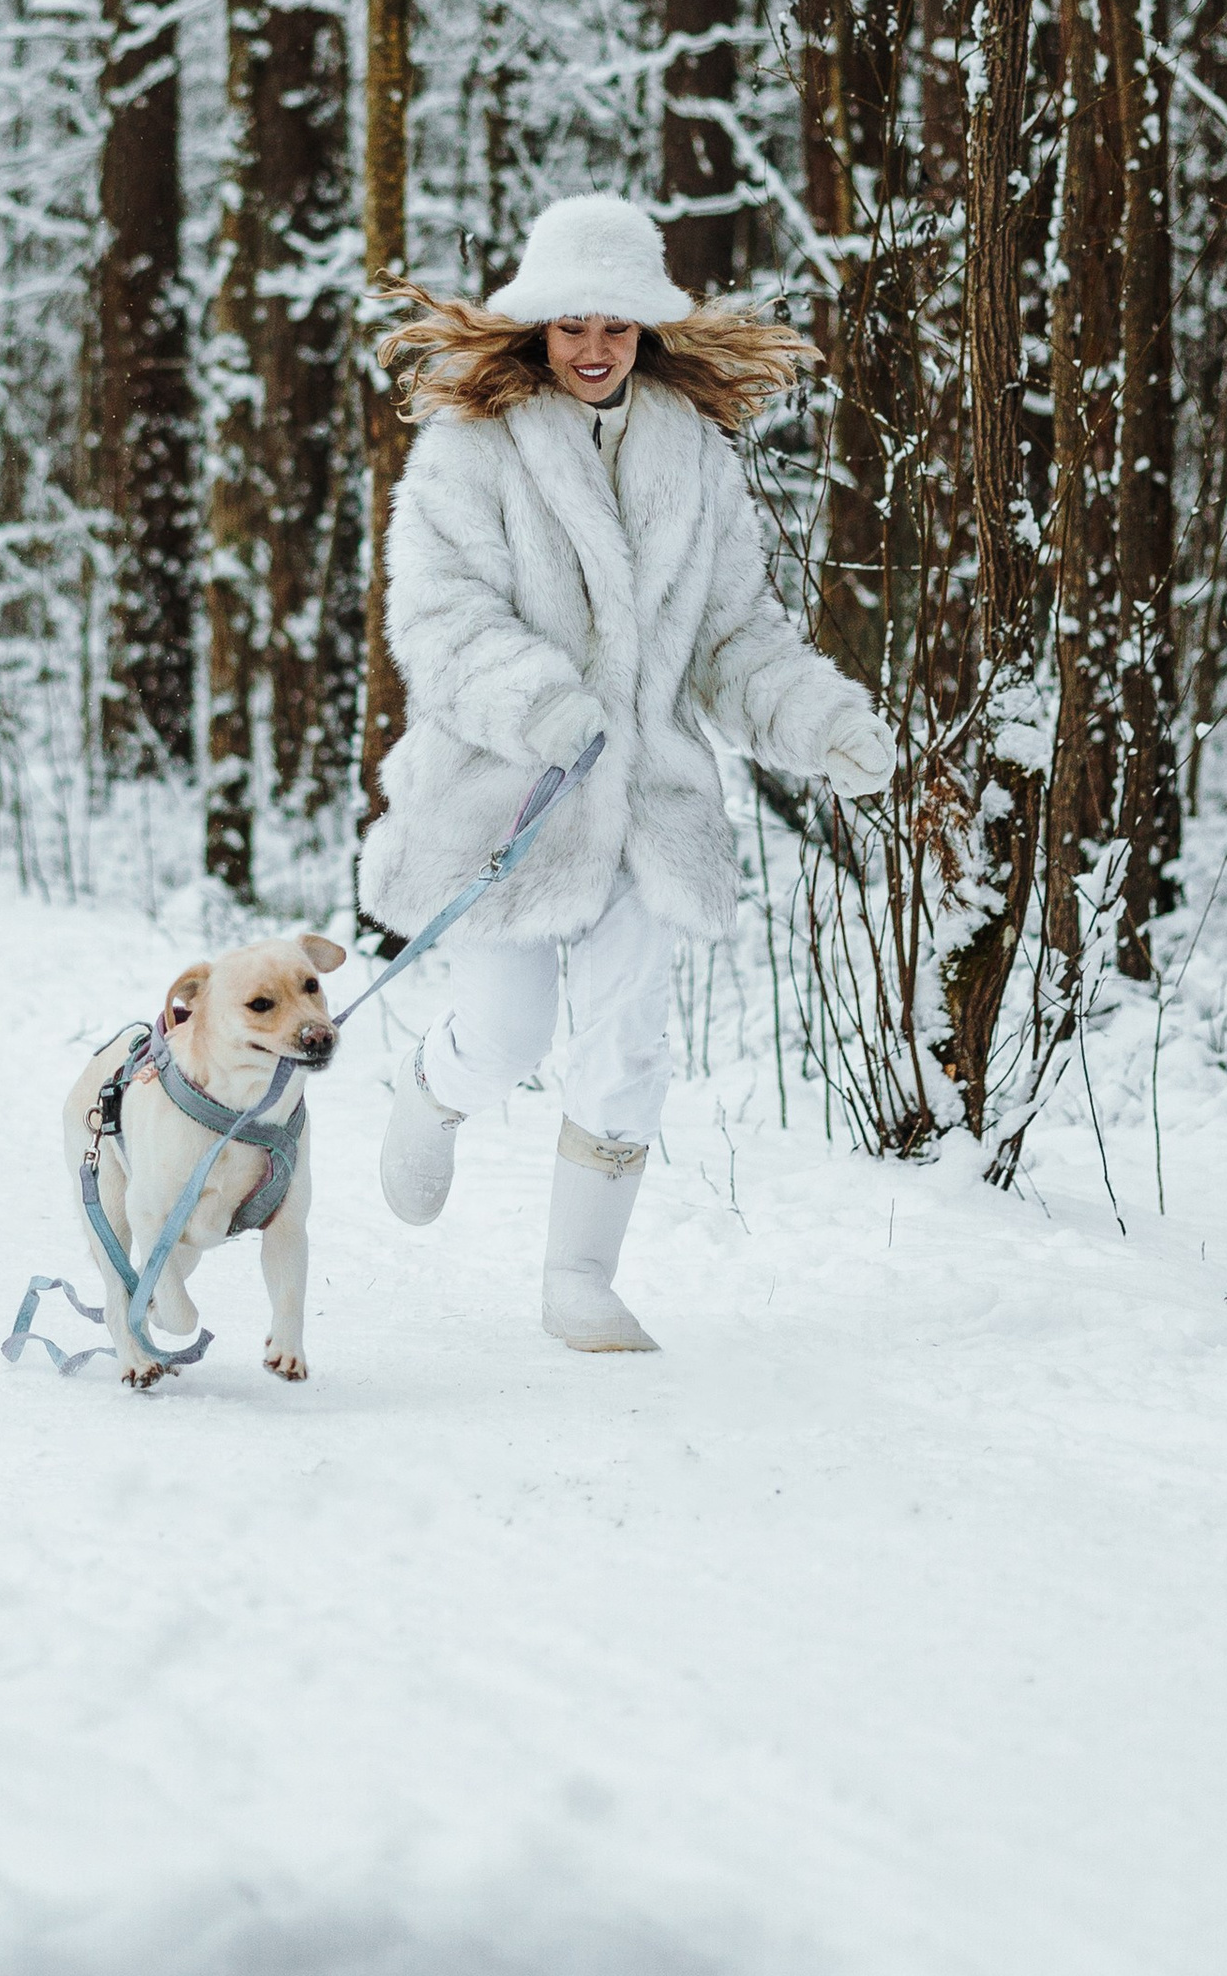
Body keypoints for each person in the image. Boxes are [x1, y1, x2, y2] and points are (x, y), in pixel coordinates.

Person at [361, 191, 893, 1352]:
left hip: (646, 805)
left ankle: (578, 1281)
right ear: (535, 330)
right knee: (509, 1031)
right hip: (499, 795)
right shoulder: (469, 449)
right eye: (570, 326)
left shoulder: (690, 457)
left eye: (615, 325)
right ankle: (434, 1087)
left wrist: (815, 722)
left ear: (646, 329)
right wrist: (538, 701)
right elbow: (438, 623)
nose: (593, 348)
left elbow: (730, 638)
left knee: (626, 1042)